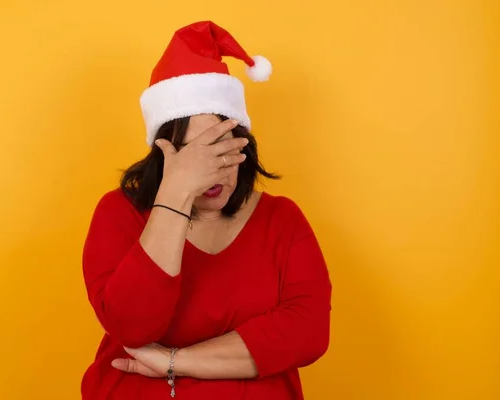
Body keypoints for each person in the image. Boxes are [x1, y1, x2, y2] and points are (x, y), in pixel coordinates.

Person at [81, 21, 332, 400]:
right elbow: (133, 326)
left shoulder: (282, 219)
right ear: (163, 156)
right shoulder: (119, 212)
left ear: (243, 147)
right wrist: (177, 194)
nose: (210, 171)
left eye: (221, 150)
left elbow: (308, 333)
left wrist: (172, 361)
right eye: (192, 155)